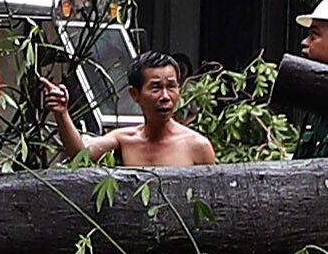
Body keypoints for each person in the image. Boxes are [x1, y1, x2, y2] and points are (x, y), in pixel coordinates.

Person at [63, 49, 217, 170]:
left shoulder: (197, 146)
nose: (165, 96)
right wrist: (61, 113)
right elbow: (81, 154)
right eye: (156, 87)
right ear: (135, 94)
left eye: (171, 86)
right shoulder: (125, 139)